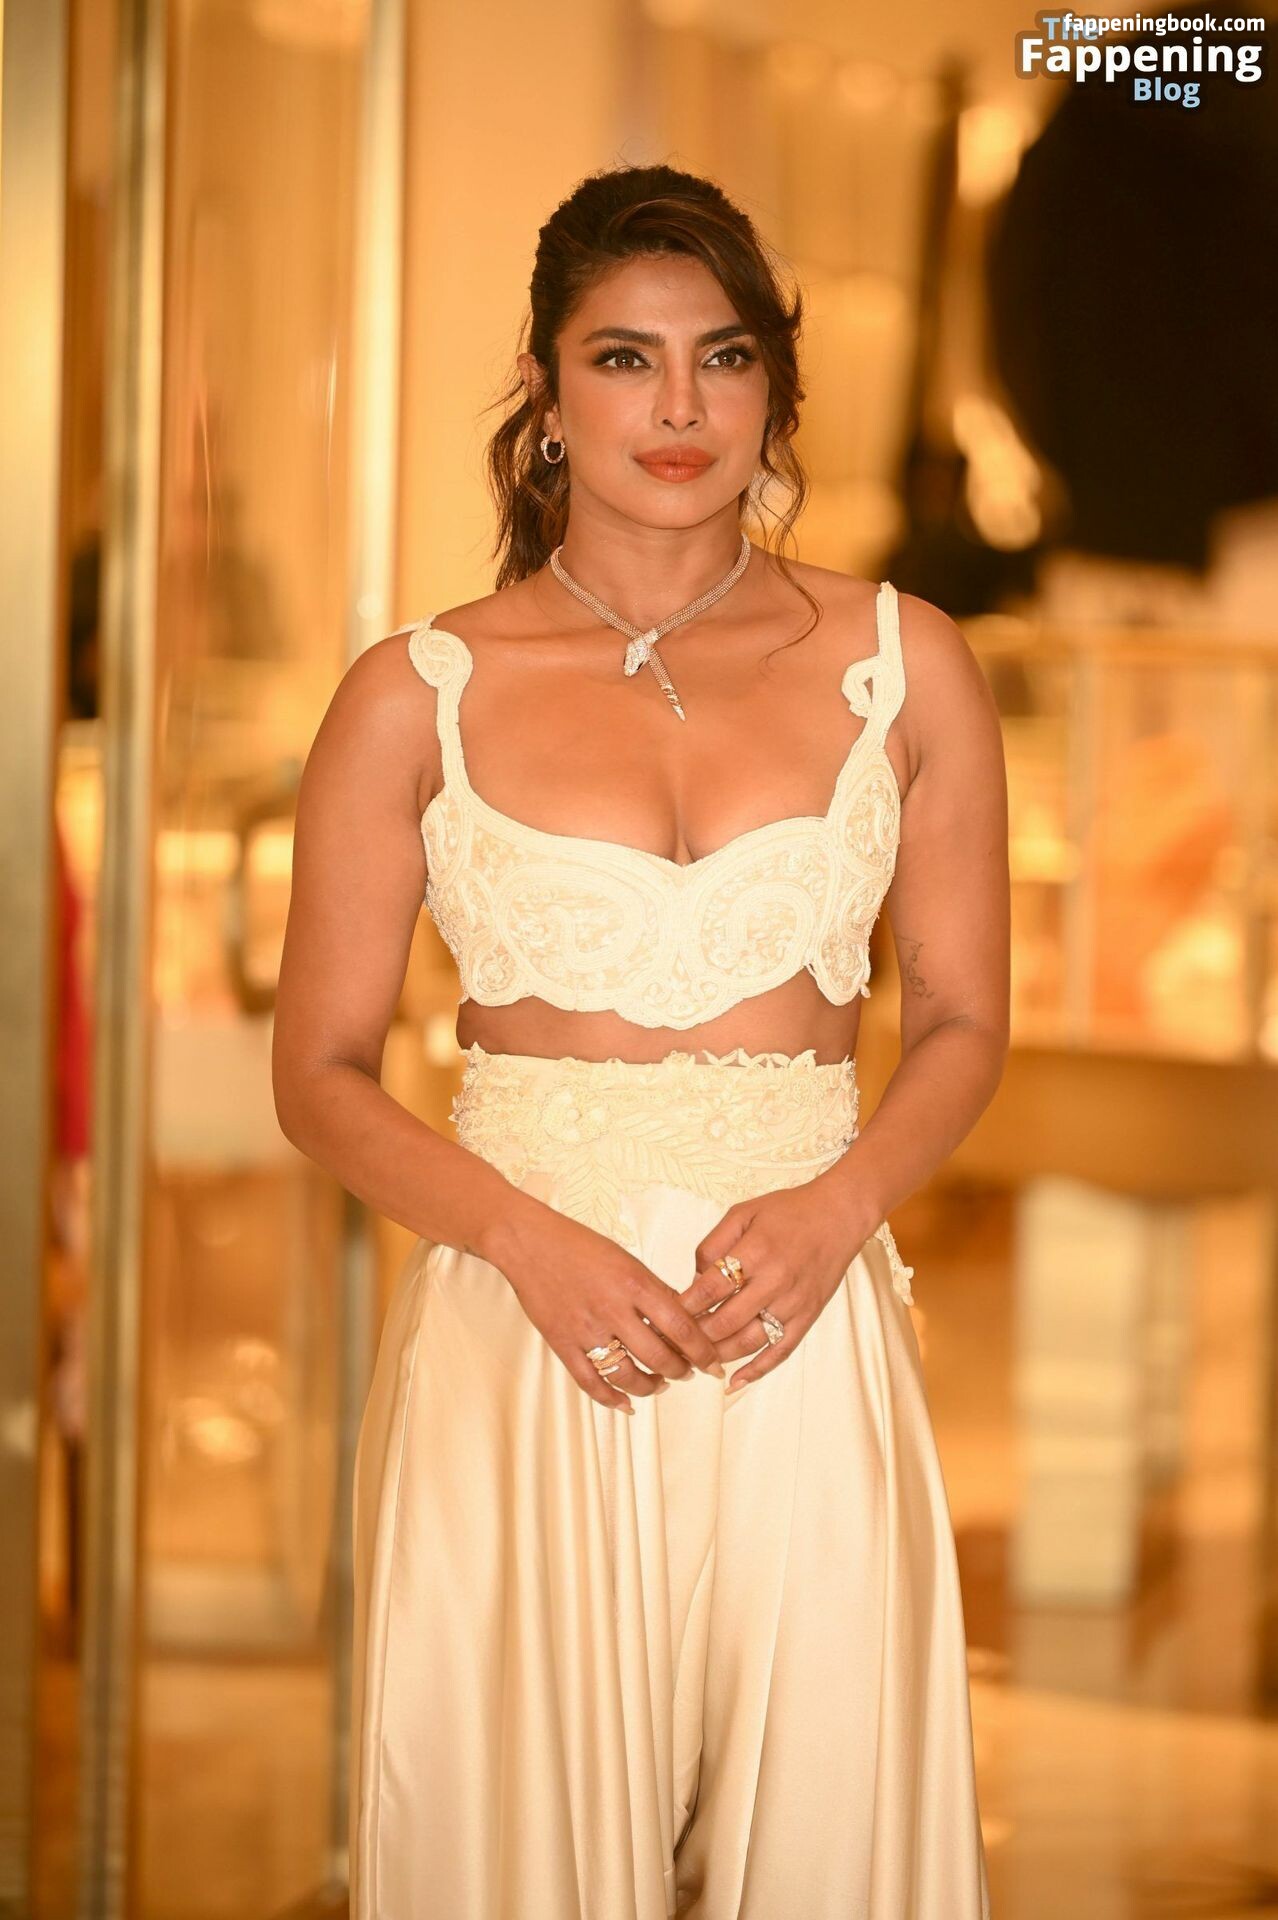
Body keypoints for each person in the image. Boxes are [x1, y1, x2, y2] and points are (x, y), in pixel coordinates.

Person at [272, 162, 1004, 1920]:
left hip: (800, 1323)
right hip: (527, 1326)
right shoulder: (412, 693)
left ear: (774, 393)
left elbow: (964, 1017)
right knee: (515, 1849)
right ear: (546, 393)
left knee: (831, 1837)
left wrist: (837, 1210)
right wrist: (523, 1240)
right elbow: (319, 1072)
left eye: (721, 357)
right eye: (623, 359)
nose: (678, 408)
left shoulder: (906, 662)